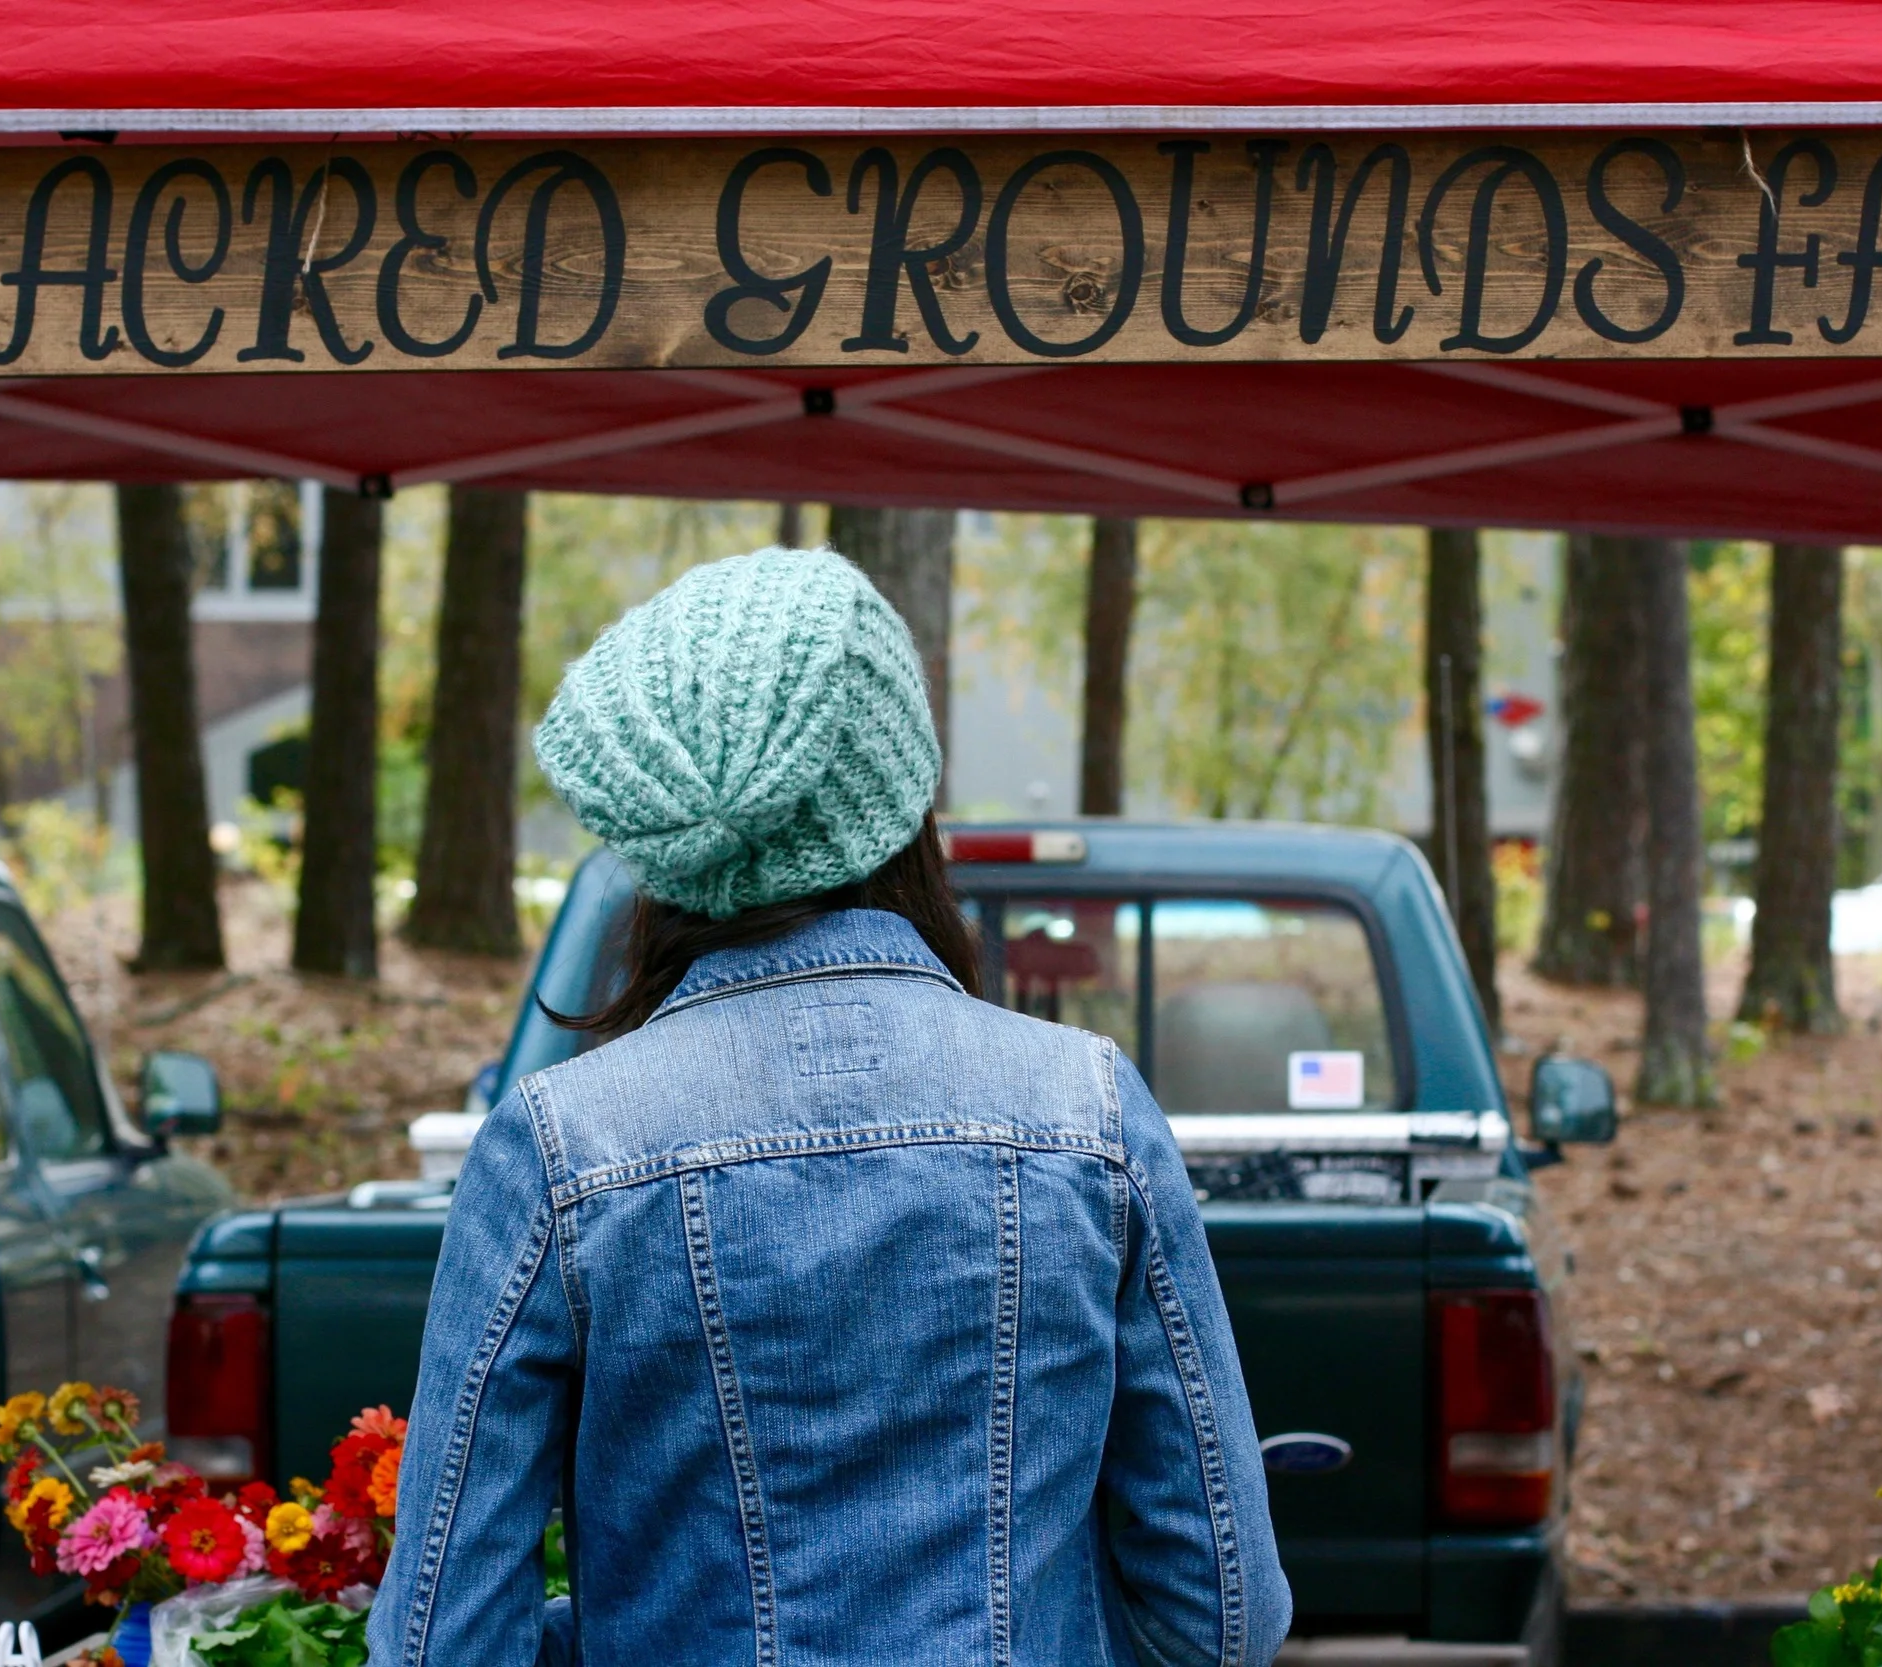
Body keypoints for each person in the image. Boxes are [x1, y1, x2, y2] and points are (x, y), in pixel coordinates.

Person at [369, 546, 1290, 1667]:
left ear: (657, 831)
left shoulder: (564, 1145)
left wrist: (625, 1622)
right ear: (901, 798)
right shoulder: (1087, 1110)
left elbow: (443, 1641)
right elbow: (1224, 1615)